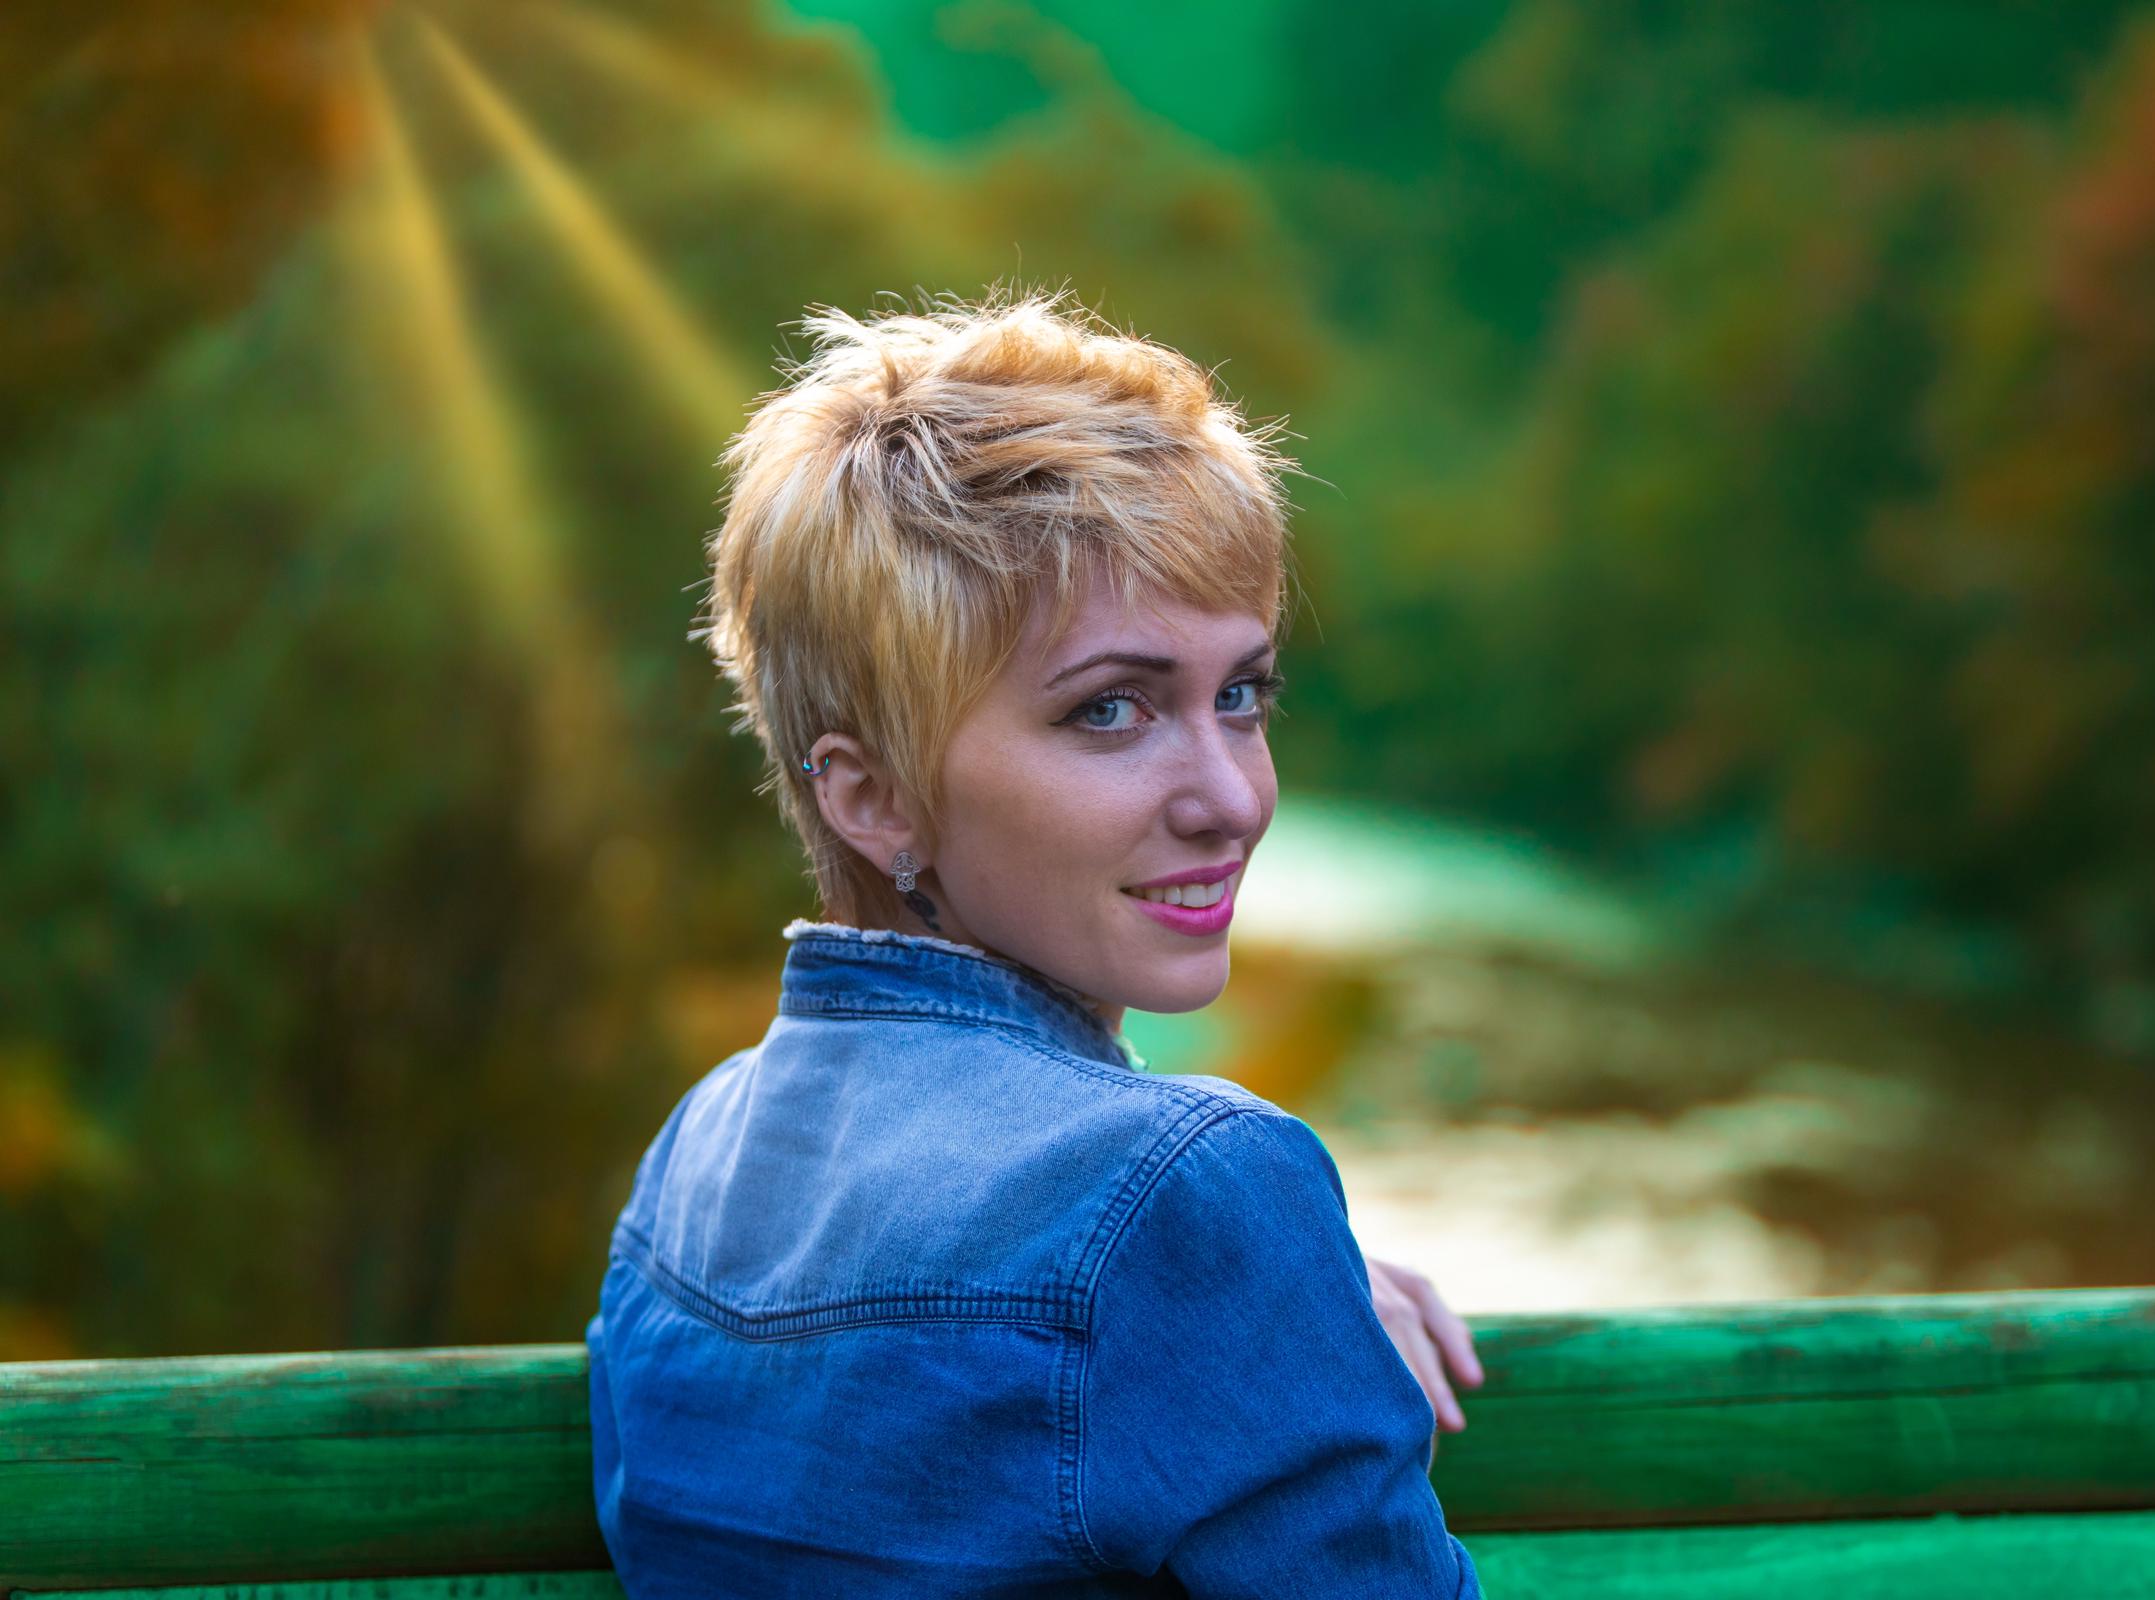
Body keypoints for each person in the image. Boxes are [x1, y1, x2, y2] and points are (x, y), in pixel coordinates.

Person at [585, 282, 1485, 1596]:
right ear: (873, 795)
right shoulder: (1198, 1195)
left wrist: (1283, 1318)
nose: (1233, 797)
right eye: (1111, 712)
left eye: (1240, 695)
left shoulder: (699, 1158)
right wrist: (1252, 1279)